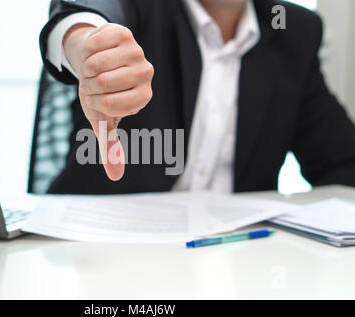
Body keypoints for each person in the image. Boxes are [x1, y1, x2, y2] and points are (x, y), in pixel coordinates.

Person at [39, 0, 355, 195]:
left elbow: (341, 163)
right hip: (104, 250)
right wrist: (87, 46)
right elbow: (83, 14)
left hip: (234, 261)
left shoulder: (293, 31)